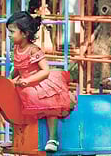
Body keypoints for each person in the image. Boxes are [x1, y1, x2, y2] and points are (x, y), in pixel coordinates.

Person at [7, 11, 72, 152]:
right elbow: (18, 67)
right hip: (23, 82)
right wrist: (9, 80)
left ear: (24, 33)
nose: (9, 35)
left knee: (50, 107)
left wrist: (28, 80)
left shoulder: (33, 50)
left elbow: (45, 70)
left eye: (12, 32)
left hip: (38, 82)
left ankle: (53, 138)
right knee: (13, 105)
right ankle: (18, 137)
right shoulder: (17, 48)